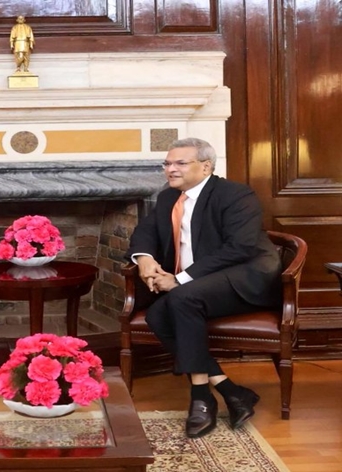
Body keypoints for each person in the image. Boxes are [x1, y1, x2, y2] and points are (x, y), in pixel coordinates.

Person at [126, 137, 282, 438]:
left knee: (181, 298)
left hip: (244, 277)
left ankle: (201, 398)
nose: (170, 169)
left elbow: (239, 248)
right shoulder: (169, 198)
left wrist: (179, 279)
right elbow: (143, 232)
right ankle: (230, 389)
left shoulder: (236, 195)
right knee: (158, 315)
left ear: (206, 166)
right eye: (167, 163)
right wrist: (143, 259)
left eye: (180, 163)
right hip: (200, 285)